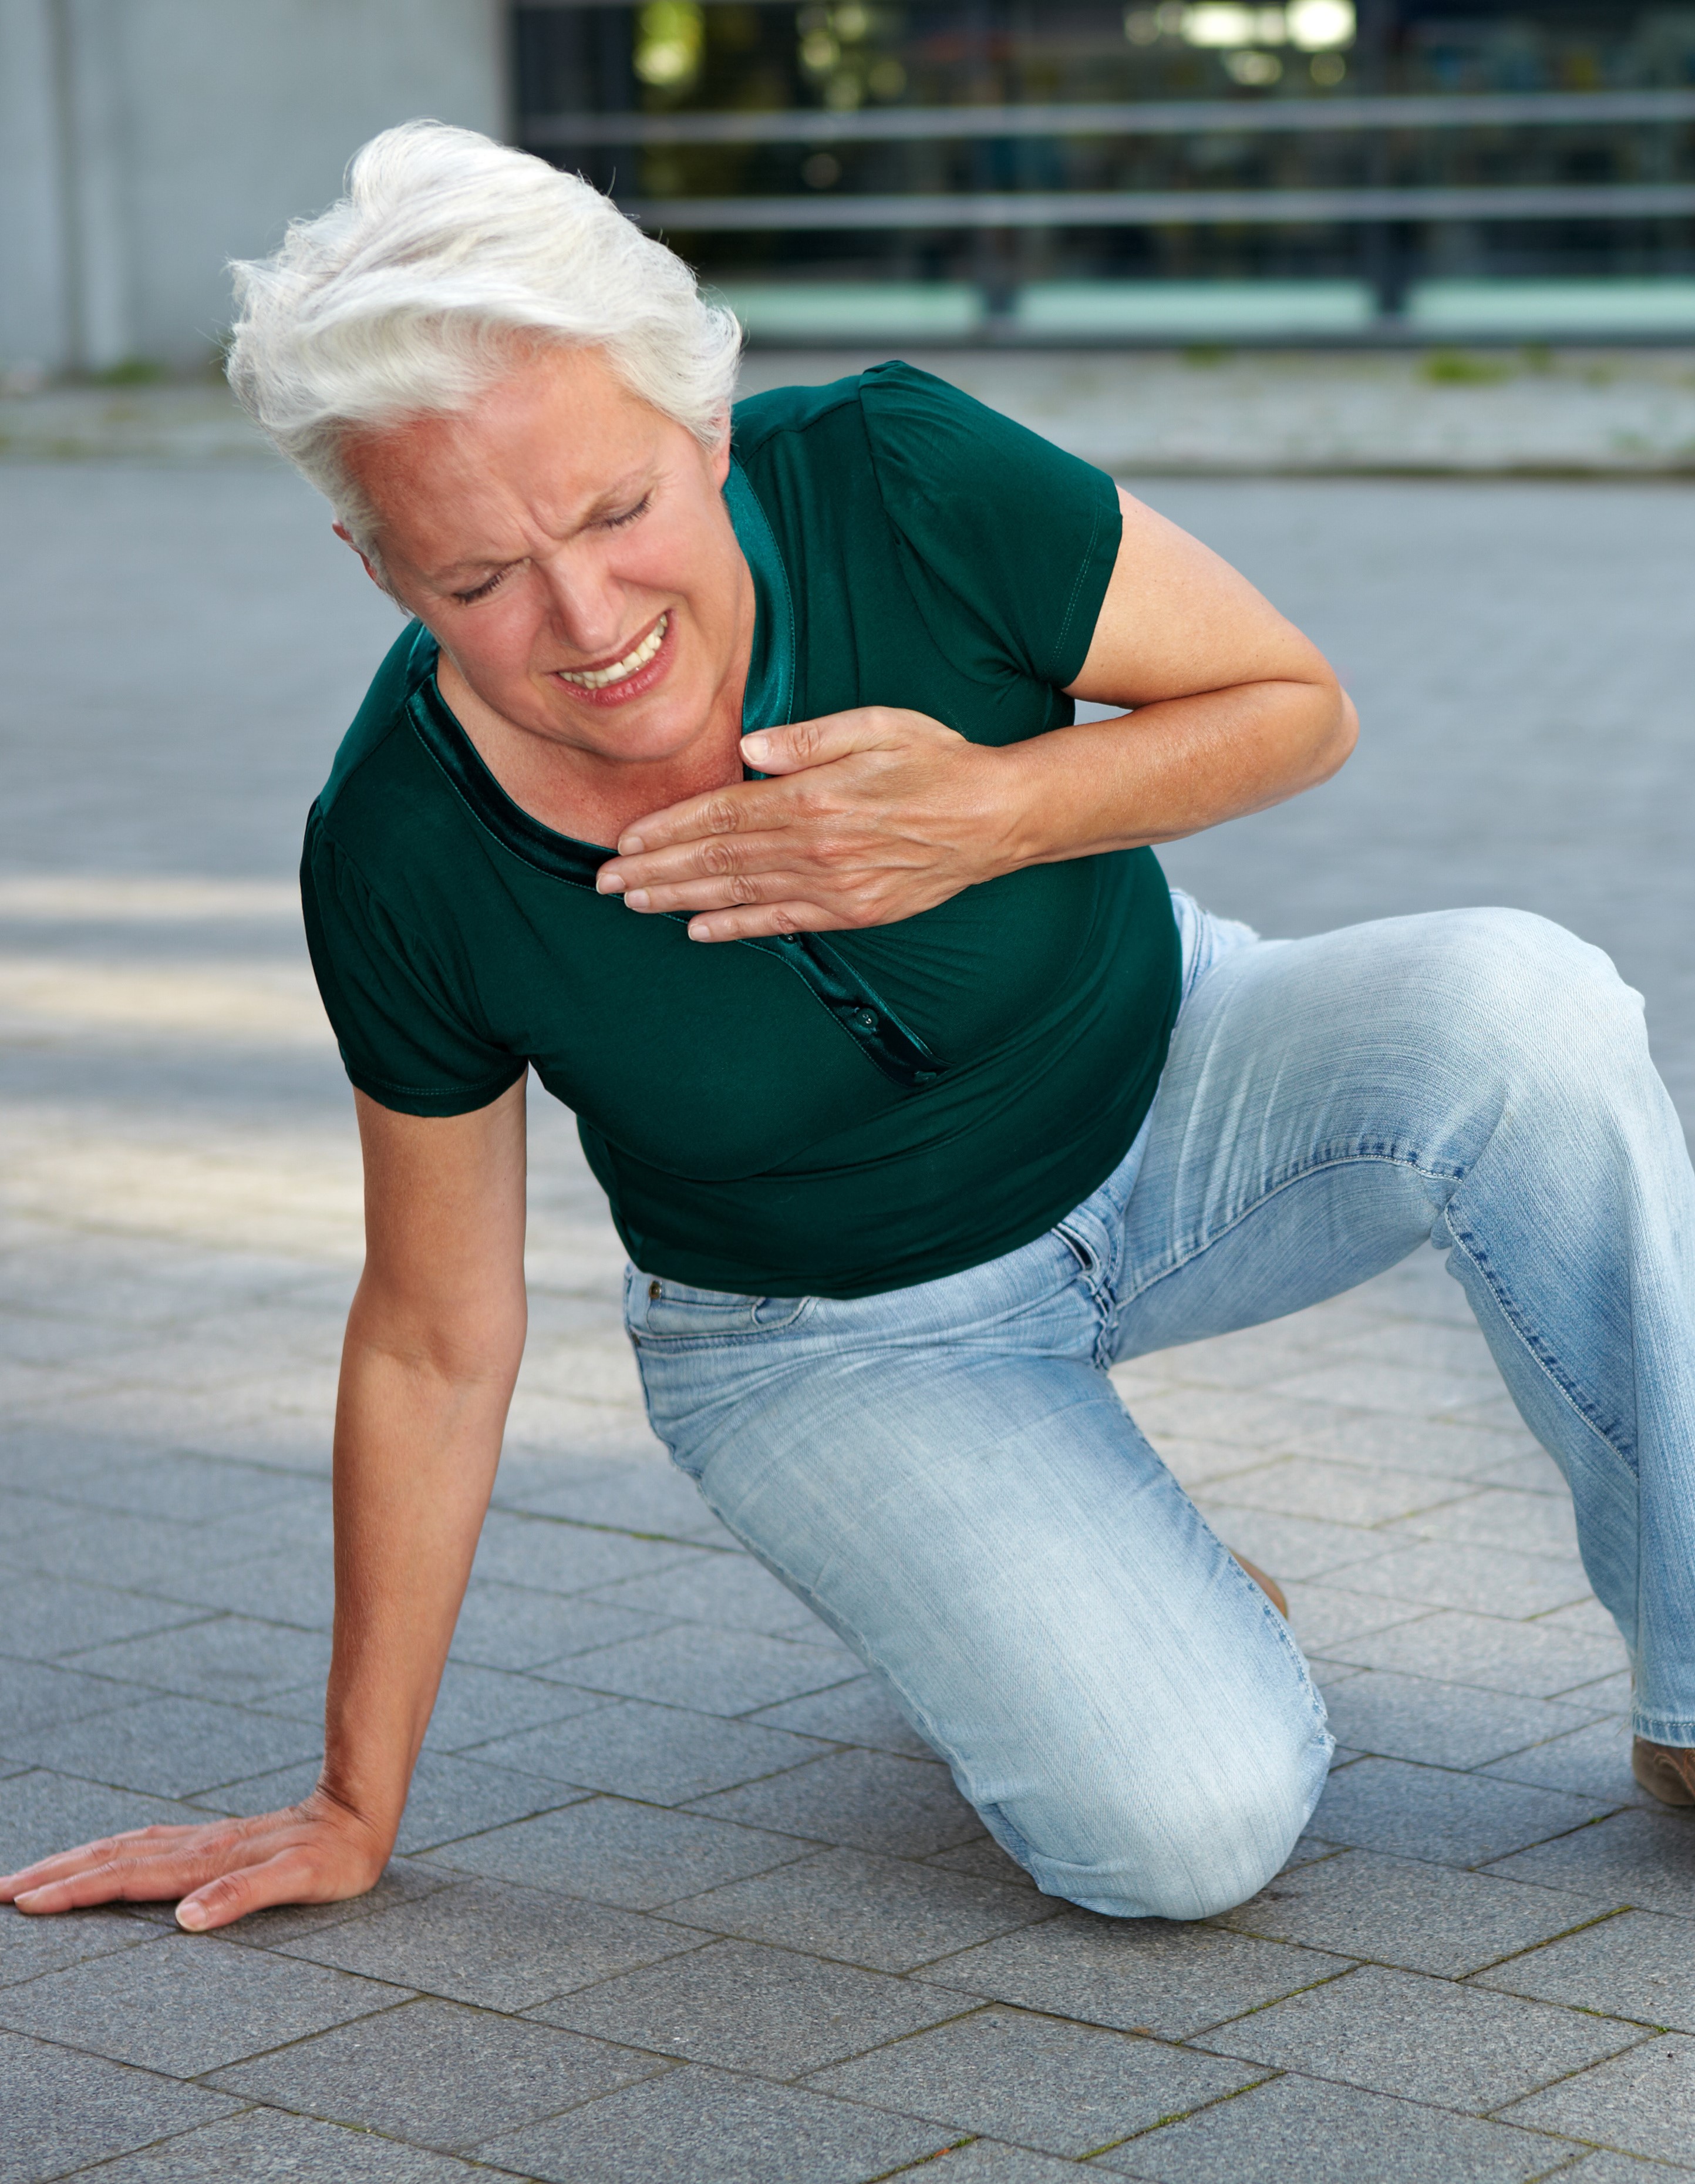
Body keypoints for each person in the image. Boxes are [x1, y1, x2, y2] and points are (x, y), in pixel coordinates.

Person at [8, 123, 1695, 1938]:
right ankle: (1092, 1571)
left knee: (1521, 1006)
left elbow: (1298, 706)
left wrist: (995, 811)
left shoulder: (897, 473)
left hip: (1181, 1085)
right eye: (477, 583)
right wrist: (354, 1800)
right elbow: (432, 1334)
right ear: (376, 565)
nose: (587, 620)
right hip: (825, 1335)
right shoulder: (397, 846)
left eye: (616, 512)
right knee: (1180, 1840)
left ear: (707, 428)